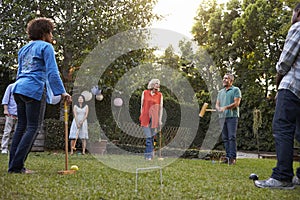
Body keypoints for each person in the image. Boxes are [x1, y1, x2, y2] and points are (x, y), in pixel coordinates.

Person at [8, 17, 71, 174]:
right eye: (51, 33)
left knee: (21, 126)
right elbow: (52, 72)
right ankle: (17, 167)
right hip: (34, 89)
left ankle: (13, 165)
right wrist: (62, 92)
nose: (52, 36)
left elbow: (20, 72)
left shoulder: (23, 49)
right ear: (44, 33)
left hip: (18, 89)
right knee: (32, 127)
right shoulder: (46, 47)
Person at [254, 3, 300, 189]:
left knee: (282, 128)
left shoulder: (298, 27)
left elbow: (284, 63)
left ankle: (282, 176)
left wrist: (278, 82)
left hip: (292, 87)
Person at [215, 73, 242, 165]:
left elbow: (236, 103)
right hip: (222, 117)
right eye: (223, 78)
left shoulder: (235, 90)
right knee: (225, 138)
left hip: (232, 117)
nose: (224, 80)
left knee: (231, 137)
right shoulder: (220, 92)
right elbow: (217, 103)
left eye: (226, 78)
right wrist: (218, 108)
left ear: (231, 80)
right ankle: (227, 157)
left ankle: (232, 158)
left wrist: (225, 108)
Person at [139, 79, 163, 160]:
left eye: (158, 84)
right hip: (145, 117)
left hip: (154, 118)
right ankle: (149, 156)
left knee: (152, 137)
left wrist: (160, 120)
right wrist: (141, 115)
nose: (158, 85)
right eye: (156, 83)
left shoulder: (160, 95)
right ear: (152, 84)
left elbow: (161, 109)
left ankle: (148, 155)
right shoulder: (145, 93)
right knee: (148, 137)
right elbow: (142, 106)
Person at [1, 83, 17, 154]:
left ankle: (15, 148)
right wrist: (6, 110)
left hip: (20, 114)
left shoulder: (24, 88)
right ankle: (4, 148)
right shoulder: (11, 86)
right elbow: (5, 99)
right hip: (10, 113)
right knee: (7, 131)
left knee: (17, 133)